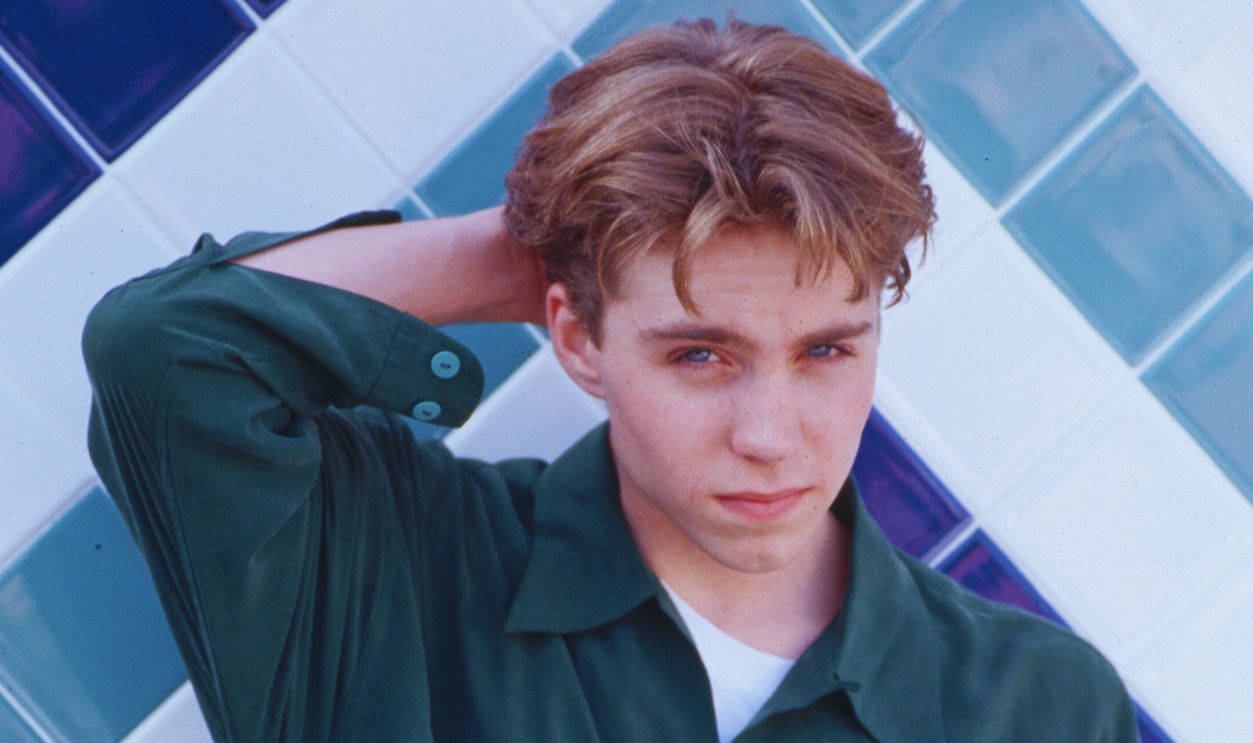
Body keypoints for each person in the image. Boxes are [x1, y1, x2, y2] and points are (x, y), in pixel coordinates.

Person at [83, 17, 1139, 743]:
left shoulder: (1035, 705)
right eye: (698, 354)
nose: (770, 435)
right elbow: (164, 351)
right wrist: (544, 246)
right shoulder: (400, 564)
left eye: (825, 349)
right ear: (576, 338)